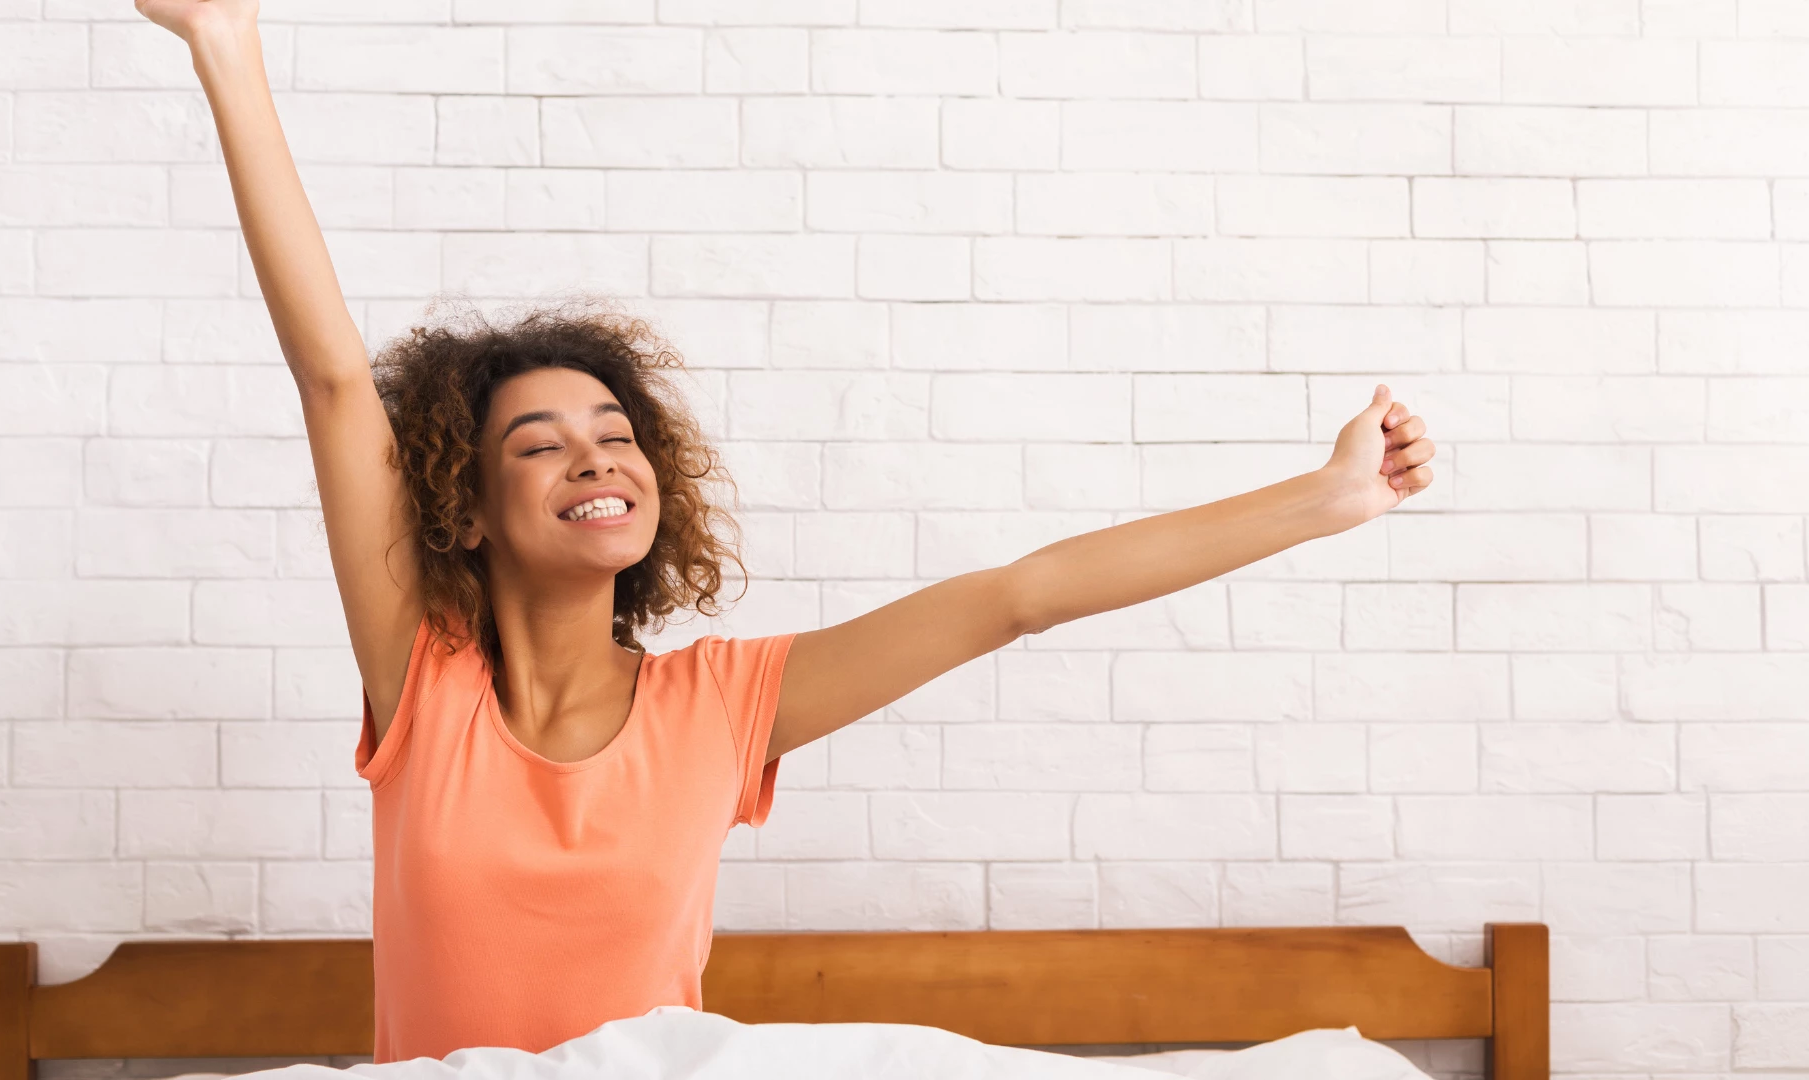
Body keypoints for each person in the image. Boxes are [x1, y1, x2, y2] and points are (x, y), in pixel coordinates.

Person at [136, 0, 1436, 1064]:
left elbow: (1022, 595)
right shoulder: (423, 682)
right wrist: (227, 45)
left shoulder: (721, 706)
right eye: (539, 444)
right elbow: (332, 384)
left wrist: (1326, 501)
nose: (596, 457)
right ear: (465, 508)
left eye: (617, 433)